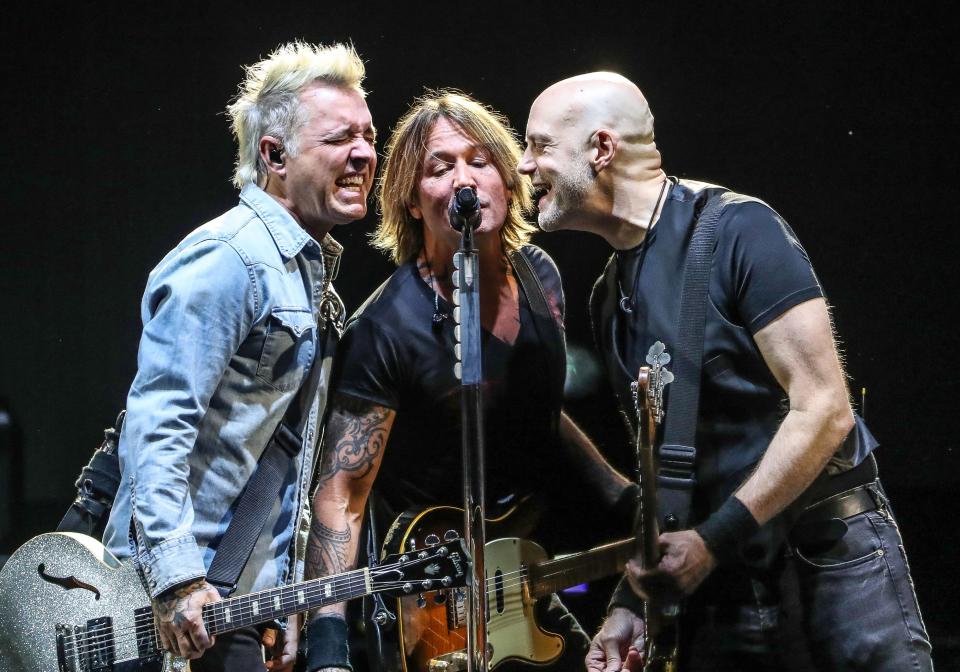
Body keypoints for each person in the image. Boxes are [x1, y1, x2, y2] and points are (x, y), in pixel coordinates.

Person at [518, 72, 933, 671]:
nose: (525, 166)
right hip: (727, 591)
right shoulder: (608, 298)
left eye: (539, 145)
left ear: (601, 150)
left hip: (830, 563)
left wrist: (713, 539)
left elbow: (825, 407)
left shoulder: (741, 229)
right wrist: (630, 601)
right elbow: (665, 474)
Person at [302, 91, 633, 672]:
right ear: (410, 199)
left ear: (509, 177)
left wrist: (618, 492)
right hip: (429, 590)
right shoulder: (384, 329)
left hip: (519, 559)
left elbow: (528, 402)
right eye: (440, 166)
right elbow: (341, 495)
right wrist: (328, 645)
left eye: (480, 161)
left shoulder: (540, 277)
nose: (465, 179)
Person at [101, 41, 377, 671]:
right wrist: (173, 579)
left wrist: (277, 604)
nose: (364, 152)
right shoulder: (231, 258)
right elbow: (158, 424)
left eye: (367, 133)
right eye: (340, 138)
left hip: (229, 604)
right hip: (165, 606)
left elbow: (285, 467)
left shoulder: (309, 277)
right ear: (273, 154)